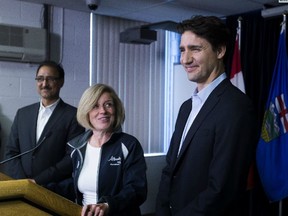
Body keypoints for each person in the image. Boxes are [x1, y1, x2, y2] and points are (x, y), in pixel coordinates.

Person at [156, 16, 258, 216]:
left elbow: (222, 189)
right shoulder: (187, 107)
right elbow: (170, 170)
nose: (185, 59)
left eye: (195, 49)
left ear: (220, 51)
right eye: (182, 50)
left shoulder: (236, 107)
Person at [4, 61, 85, 199]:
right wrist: (24, 183)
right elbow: (11, 153)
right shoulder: (23, 114)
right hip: (21, 191)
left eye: (51, 79)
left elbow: (71, 158)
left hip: (55, 192)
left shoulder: (74, 116)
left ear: (61, 82)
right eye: (40, 79)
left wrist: (38, 181)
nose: (44, 84)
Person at [67, 83, 147, 216]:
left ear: (116, 109)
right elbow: (70, 184)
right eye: (95, 106)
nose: (103, 111)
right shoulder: (77, 147)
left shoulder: (129, 144)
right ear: (86, 112)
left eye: (108, 104)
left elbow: (137, 189)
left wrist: (108, 205)